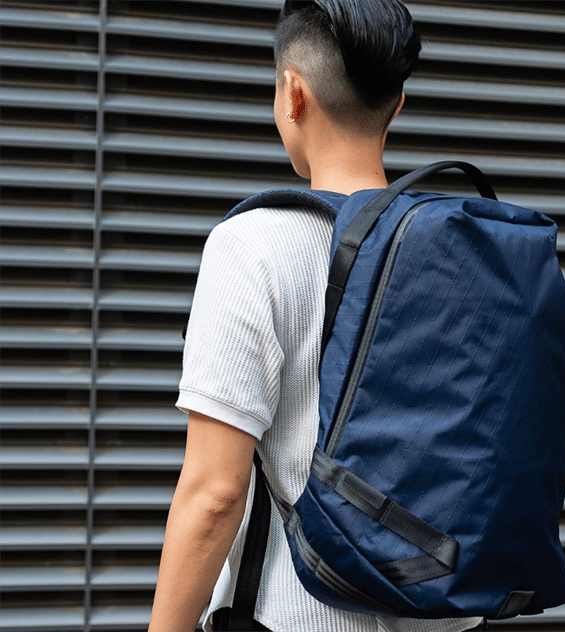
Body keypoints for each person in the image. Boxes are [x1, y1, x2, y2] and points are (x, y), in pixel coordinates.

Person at [148, 1, 486, 631]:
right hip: (448, 615)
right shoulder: (467, 251)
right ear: (398, 107)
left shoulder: (252, 245)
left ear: (292, 94)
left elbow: (215, 497)